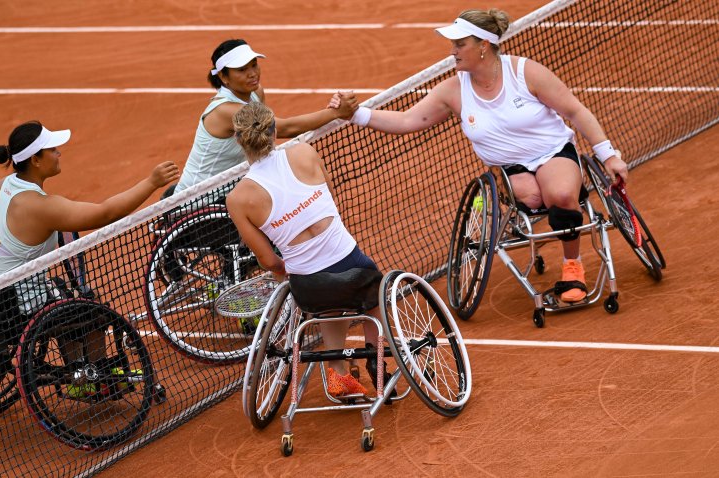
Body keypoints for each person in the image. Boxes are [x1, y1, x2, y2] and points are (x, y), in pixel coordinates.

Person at [345, 8, 629, 303]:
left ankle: (573, 267)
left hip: (552, 152)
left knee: (559, 194)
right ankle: (556, 217)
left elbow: (574, 110)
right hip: (509, 169)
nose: (452, 51)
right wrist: (356, 114)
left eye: (459, 44)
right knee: (533, 198)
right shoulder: (453, 90)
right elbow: (407, 121)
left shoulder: (524, 72)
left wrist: (608, 155)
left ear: (483, 46)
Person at [0, 120, 179, 392]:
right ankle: (93, 375)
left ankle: (78, 368)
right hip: (19, 308)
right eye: (53, 149)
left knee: (60, 292)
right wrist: (151, 182)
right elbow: (105, 213)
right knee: (91, 309)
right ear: (35, 159)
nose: (59, 153)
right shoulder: (42, 206)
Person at [226, 102, 389, 398]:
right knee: (374, 294)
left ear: (238, 139)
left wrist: (284, 269)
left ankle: (339, 373)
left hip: (308, 287)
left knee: (326, 300)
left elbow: (268, 260)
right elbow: (329, 204)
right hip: (353, 268)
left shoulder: (237, 199)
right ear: (275, 130)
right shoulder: (304, 151)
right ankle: (375, 358)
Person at [171, 38, 358, 198]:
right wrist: (335, 113)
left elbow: (267, 136)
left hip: (230, 188)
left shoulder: (255, 93)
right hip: (198, 199)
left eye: (254, 65)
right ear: (223, 76)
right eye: (242, 69)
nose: (253, 73)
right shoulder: (226, 110)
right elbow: (284, 128)